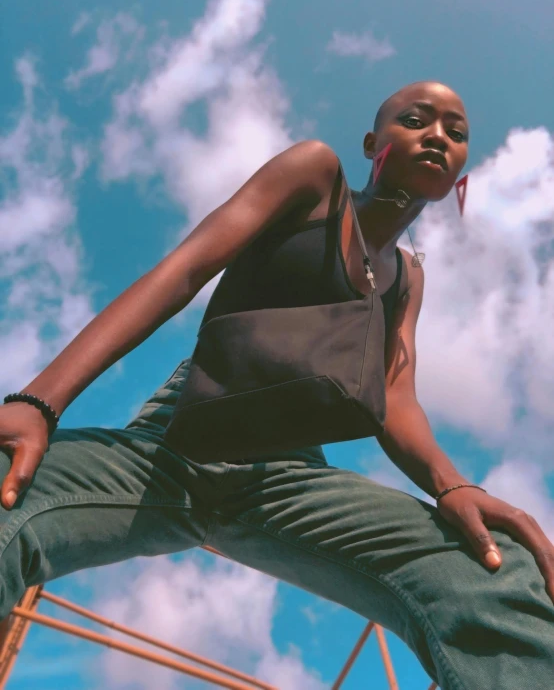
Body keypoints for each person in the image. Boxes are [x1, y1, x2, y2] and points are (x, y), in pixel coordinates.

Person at [1, 81, 553, 689]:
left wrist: (454, 486)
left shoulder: (407, 279)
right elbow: (184, 271)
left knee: (499, 574)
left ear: (462, 170)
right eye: (417, 120)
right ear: (374, 143)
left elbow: (396, 396)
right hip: (173, 444)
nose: (437, 137)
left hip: (286, 480)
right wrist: (38, 401)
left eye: (456, 132)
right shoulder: (314, 177)